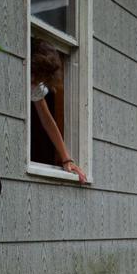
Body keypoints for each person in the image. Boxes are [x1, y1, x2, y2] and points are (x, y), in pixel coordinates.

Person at [31, 39, 87, 184]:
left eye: (38, 81)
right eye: (34, 78)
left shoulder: (36, 85)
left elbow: (47, 120)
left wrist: (66, 159)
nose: (33, 82)